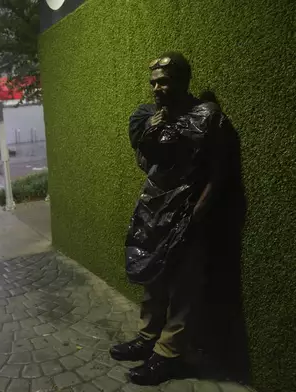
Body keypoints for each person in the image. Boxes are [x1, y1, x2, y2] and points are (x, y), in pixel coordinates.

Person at [110, 52, 234, 385]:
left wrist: (195, 215)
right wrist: (150, 132)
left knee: (183, 286)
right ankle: (148, 337)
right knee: (153, 279)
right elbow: (146, 163)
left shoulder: (208, 118)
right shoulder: (151, 117)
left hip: (187, 214)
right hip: (153, 212)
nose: (157, 88)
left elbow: (219, 173)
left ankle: (168, 354)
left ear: (182, 79)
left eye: (163, 81)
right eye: (153, 82)